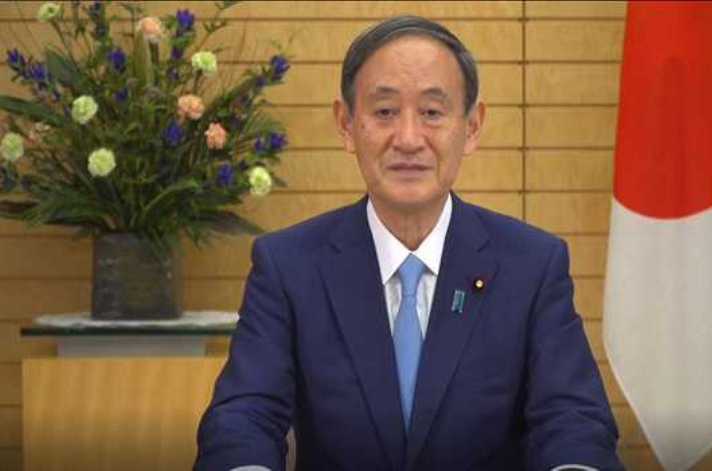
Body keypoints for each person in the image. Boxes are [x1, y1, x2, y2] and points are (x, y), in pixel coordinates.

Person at [195, 16, 622, 471]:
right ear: (346, 124)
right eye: (384, 112)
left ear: (472, 126)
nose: (409, 139)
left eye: (432, 113)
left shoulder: (532, 265)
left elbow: (574, 421)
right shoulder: (288, 266)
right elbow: (243, 418)